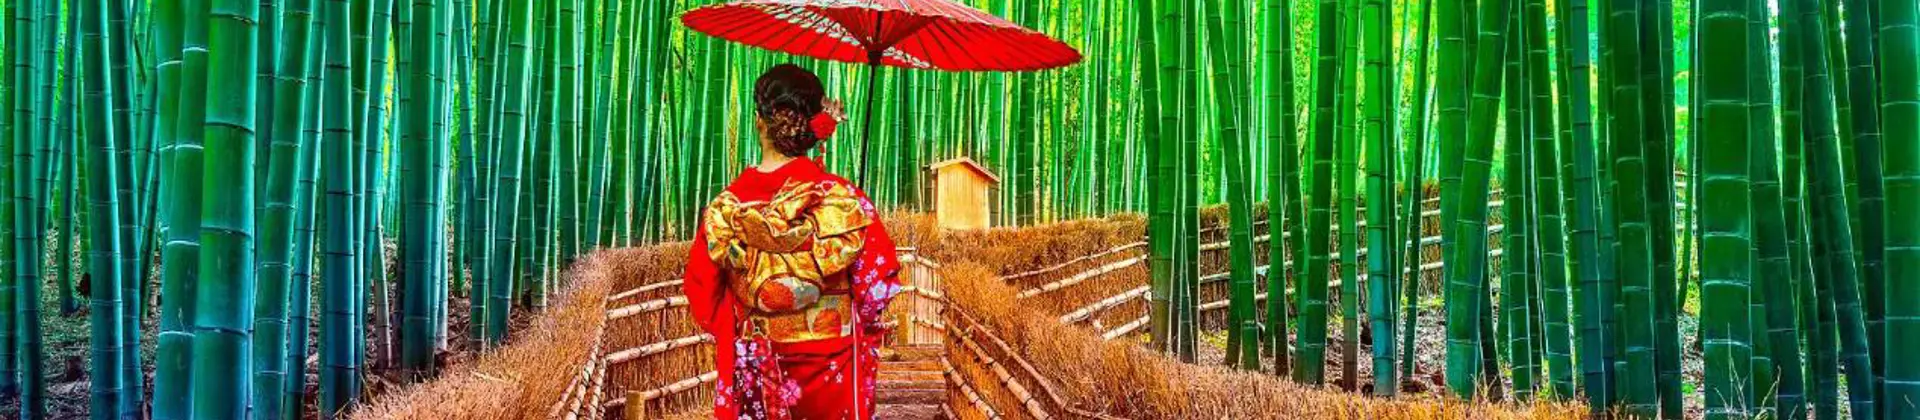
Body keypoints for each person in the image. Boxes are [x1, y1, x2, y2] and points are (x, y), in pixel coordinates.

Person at [682, 63, 902, 420]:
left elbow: (702, 294)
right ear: (814, 126)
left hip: (757, 357)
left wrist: (750, 314)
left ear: (759, 121)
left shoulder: (728, 205)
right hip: (832, 361)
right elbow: (877, 289)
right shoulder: (842, 199)